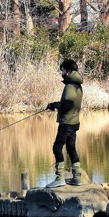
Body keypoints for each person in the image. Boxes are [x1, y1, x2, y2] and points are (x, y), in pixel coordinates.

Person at [45, 58, 84, 188]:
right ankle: (77, 177)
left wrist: (54, 105)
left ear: (67, 71)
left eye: (61, 70)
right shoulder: (77, 84)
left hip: (66, 122)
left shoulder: (70, 86)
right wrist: (57, 105)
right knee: (71, 147)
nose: (60, 72)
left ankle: (60, 178)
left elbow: (67, 103)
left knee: (57, 147)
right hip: (74, 121)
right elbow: (69, 103)